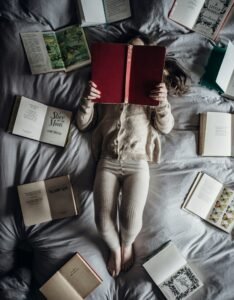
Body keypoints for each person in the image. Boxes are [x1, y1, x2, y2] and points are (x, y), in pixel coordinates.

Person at [76, 37, 189, 277]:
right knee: (102, 221)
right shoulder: (104, 83)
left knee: (129, 220)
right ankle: (116, 249)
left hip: (137, 162)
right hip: (107, 161)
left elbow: (166, 127)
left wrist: (162, 102)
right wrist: (88, 100)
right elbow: (83, 124)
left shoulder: (153, 85)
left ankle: (126, 245)